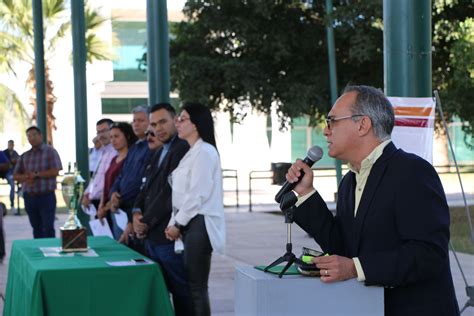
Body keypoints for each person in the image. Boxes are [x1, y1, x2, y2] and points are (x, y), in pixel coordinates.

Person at [286, 85, 459, 316]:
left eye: (332, 121)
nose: (326, 131)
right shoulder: (350, 181)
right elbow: (343, 248)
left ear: (362, 125)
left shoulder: (412, 171)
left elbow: (428, 254)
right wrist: (306, 193)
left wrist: (357, 268)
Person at [165, 102, 226, 316]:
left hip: (199, 223)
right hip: (191, 222)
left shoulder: (205, 153)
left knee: (197, 287)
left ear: (197, 123)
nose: (177, 123)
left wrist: (178, 223)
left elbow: (197, 194)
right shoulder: (194, 151)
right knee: (192, 286)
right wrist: (174, 222)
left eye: (183, 119)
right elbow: (183, 195)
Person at [132, 103, 193, 316]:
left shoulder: (182, 149)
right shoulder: (160, 151)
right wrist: (136, 212)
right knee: (163, 294)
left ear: (175, 120)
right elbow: (145, 186)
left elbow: (169, 195)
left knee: (183, 294)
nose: (158, 128)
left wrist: (144, 221)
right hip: (153, 237)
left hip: (170, 237)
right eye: (154, 124)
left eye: (163, 122)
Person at [109, 105, 150, 242]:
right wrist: (114, 192)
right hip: (122, 209)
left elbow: (142, 182)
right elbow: (122, 175)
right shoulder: (134, 148)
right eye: (134, 121)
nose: (136, 124)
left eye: (141, 120)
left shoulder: (151, 148)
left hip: (137, 211)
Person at [13, 126, 62, 238]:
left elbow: (56, 170)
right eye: (29, 136)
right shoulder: (25, 155)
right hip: (30, 197)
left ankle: (51, 252)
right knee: (36, 228)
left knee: (48, 227)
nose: (32, 138)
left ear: (40, 136)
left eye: (34, 135)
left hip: (46, 196)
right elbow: (15, 175)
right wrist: (26, 177)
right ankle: (40, 251)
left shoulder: (50, 152)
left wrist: (36, 174)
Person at [97, 122, 137, 239]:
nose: (113, 140)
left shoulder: (130, 158)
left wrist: (106, 208)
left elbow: (123, 187)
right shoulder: (114, 158)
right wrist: (102, 205)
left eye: (117, 136)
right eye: (111, 137)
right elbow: (108, 185)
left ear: (127, 136)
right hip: (109, 209)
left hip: (122, 209)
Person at [82, 119, 116, 211]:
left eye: (104, 131)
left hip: (109, 202)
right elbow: (95, 177)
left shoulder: (117, 152)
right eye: (98, 132)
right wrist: (87, 193)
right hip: (97, 202)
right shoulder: (102, 152)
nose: (101, 135)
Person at [3, 140, 20, 213]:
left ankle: (20, 191)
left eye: (12, 145)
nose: (11, 146)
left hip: (15, 172)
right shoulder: (4, 153)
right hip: (7, 173)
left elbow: (19, 161)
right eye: (10, 144)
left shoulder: (15, 153)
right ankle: (12, 204)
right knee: (12, 185)